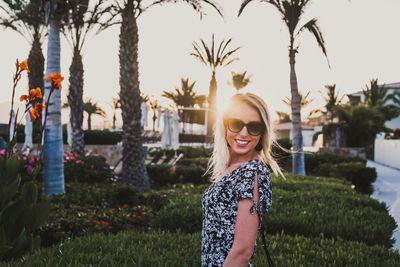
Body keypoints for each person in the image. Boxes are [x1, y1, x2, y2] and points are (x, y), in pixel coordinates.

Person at [202, 93, 283, 267]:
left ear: (262, 132)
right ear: (225, 125)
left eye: (254, 127)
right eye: (236, 124)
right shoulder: (229, 167)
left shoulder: (253, 171)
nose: (244, 133)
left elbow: (242, 251)